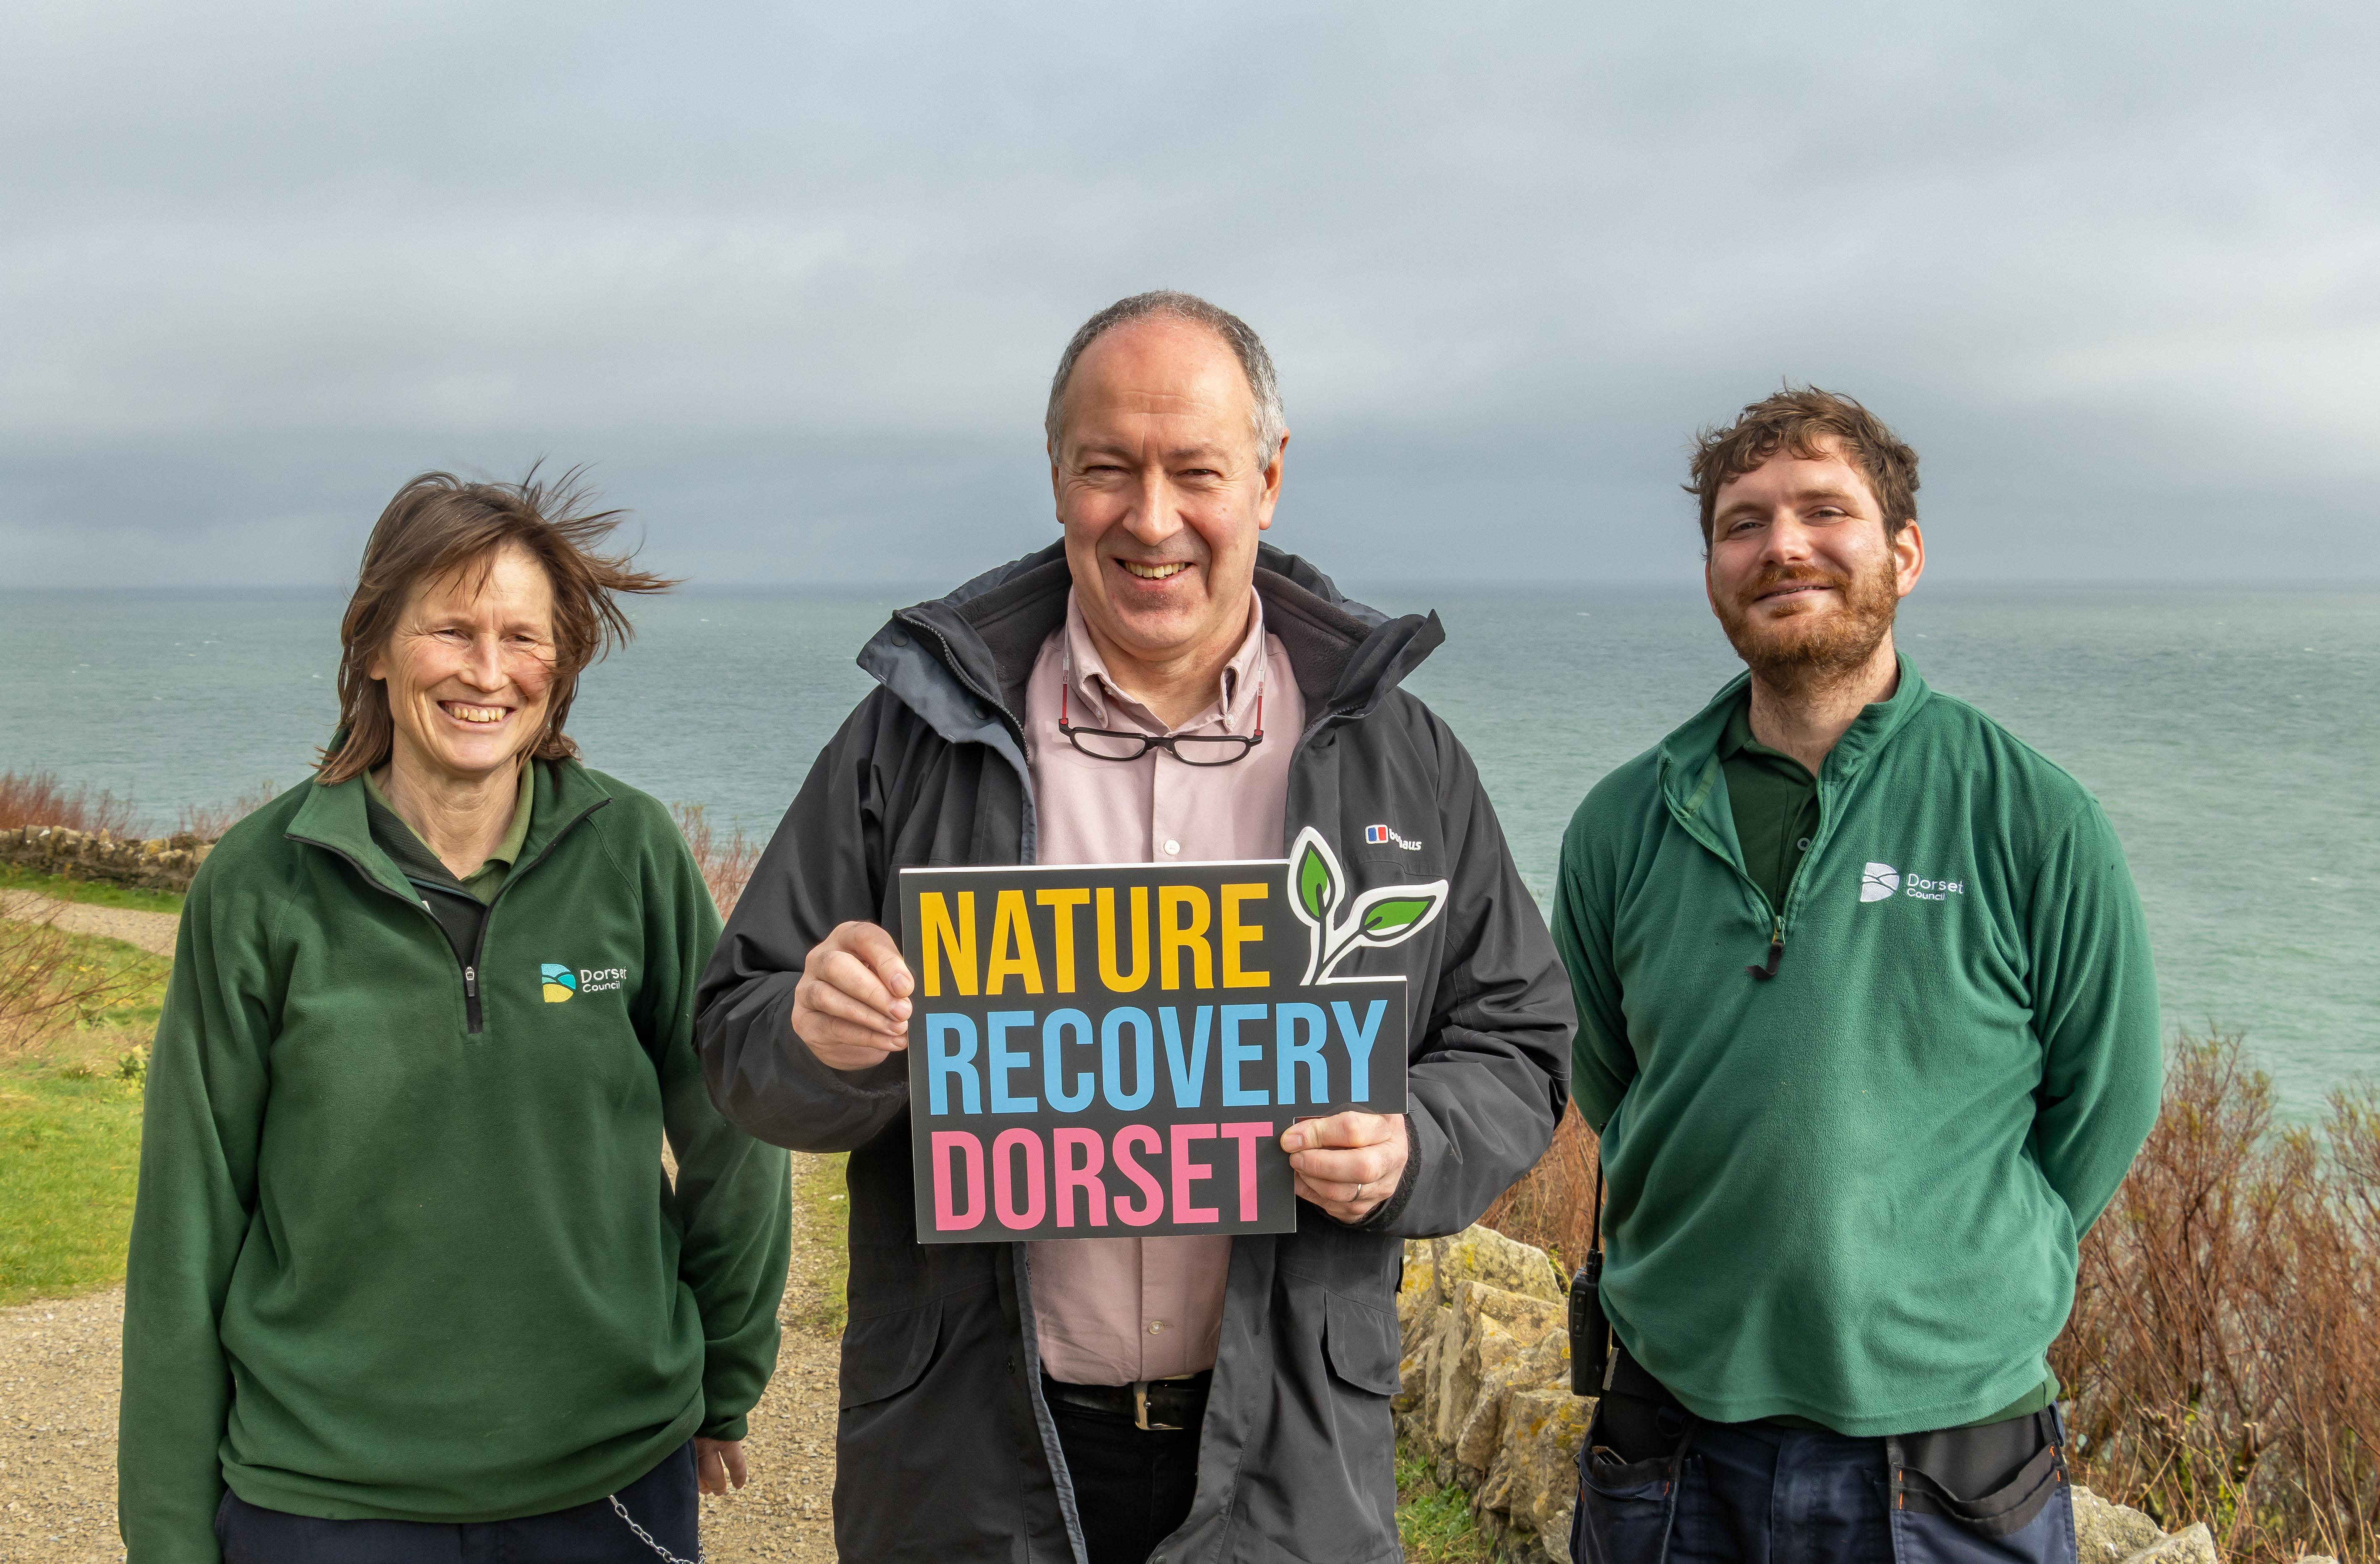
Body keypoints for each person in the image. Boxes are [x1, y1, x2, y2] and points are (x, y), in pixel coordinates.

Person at [697, 290, 1574, 1562]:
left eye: (1196, 472)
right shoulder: (913, 739)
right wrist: (819, 1037)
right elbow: (740, 1035)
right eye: (1109, 470)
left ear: (1268, 482)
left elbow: (1519, 1037)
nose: (1151, 519)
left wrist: (1412, 1142)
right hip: (972, 1450)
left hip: (1289, 1459)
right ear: (1058, 479)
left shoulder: (1398, 756)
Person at [118, 472, 792, 1564]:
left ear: (560, 665)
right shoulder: (257, 884)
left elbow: (734, 1131)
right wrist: (164, 1533)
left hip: (608, 1479)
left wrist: (726, 1375)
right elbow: (187, 1226)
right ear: (374, 646)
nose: (489, 672)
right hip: (322, 1498)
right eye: (451, 630)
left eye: (523, 637)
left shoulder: (634, 854)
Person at [1553, 388, 2163, 1563]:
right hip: (1673, 1434)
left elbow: (2107, 1099)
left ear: (1904, 553)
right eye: (1744, 523)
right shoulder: (1622, 821)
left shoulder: (2032, 815)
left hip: (1950, 1456)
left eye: (1824, 511)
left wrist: (1955, 1266)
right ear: (1714, 568)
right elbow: (1610, 1077)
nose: (1782, 545)